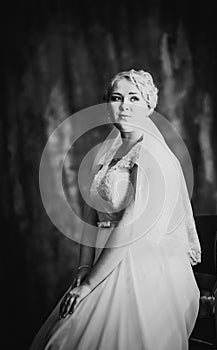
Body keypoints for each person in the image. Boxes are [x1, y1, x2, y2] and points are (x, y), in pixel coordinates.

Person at [30, 69, 201, 350]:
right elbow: (91, 212)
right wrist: (85, 267)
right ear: (106, 104)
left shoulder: (153, 154)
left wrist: (90, 284)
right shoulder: (107, 152)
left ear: (149, 106)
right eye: (116, 97)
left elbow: (131, 226)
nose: (124, 106)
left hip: (141, 262)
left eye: (134, 98)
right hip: (105, 256)